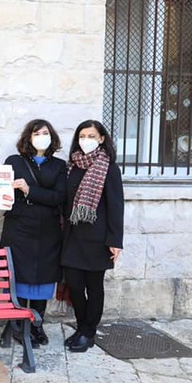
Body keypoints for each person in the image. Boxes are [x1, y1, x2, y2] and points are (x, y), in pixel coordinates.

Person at [0, 119, 66, 348]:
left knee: (42, 279)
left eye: (45, 132)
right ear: (28, 137)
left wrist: (29, 191)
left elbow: (59, 198)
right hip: (19, 230)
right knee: (19, 277)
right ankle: (16, 323)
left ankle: (36, 324)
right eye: (37, 133)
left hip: (47, 232)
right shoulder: (14, 162)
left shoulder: (58, 166)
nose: (41, 136)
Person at [61, 120, 124, 353]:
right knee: (75, 286)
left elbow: (116, 207)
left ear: (101, 139)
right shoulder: (72, 166)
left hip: (97, 240)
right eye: (81, 136)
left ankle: (88, 332)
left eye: (90, 136)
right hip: (72, 237)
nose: (85, 140)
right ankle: (81, 327)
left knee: (94, 287)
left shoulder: (109, 167)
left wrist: (115, 241)